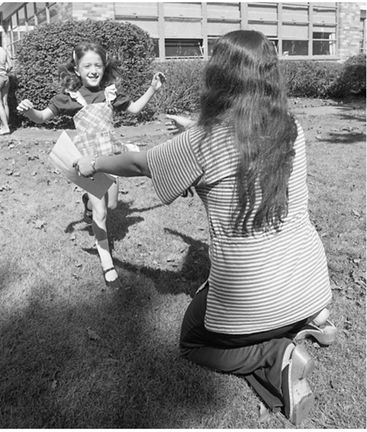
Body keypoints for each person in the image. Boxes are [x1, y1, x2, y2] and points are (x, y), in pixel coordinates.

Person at [74, 30, 335, 424]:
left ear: (219, 75)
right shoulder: (290, 127)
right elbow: (237, 146)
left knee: (192, 341)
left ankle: (275, 356)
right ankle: (312, 320)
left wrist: (94, 163)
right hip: (311, 280)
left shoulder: (203, 141)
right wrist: (190, 133)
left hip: (256, 297)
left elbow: (141, 164)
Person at [17, 42, 163, 289]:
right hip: (88, 164)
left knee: (113, 204)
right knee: (101, 212)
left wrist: (152, 88)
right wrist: (29, 111)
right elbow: (42, 117)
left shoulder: (111, 94)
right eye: (87, 65)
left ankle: (85, 201)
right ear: (77, 69)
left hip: (111, 159)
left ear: (104, 67)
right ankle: (107, 262)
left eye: (98, 65)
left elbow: (136, 110)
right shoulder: (69, 98)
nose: (93, 70)